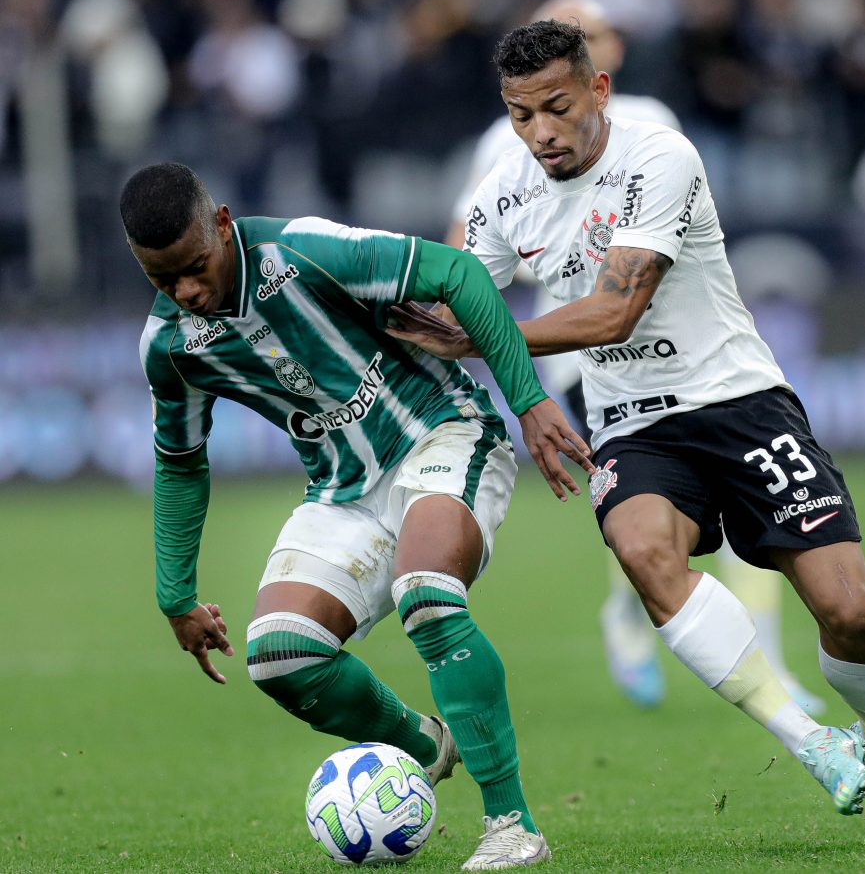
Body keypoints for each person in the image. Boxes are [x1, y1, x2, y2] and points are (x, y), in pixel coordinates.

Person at [388, 21, 865, 845]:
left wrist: (484, 336)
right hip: (634, 424)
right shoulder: (502, 194)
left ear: (598, 92)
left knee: (850, 613)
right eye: (520, 115)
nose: (541, 133)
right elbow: (444, 299)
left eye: (557, 108)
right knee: (643, 551)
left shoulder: (659, 157)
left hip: (739, 400)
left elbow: (616, 309)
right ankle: (810, 741)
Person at [121, 162, 595, 869]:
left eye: (194, 267)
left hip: (443, 430)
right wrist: (175, 594)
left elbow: (458, 275)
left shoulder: (304, 250)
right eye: (164, 281)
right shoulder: (171, 347)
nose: (187, 291)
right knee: (281, 654)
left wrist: (527, 399)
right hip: (343, 487)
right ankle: (427, 745)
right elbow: (181, 459)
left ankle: (512, 824)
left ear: (221, 224)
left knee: (427, 597)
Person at [445, 0, 825, 715]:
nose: (538, 127)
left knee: (732, 518)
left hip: (684, 345)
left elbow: (663, 234)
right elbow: (469, 249)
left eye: (602, 30)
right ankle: (646, 612)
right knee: (650, 503)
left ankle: (755, 657)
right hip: (578, 357)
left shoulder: (658, 129)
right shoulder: (509, 145)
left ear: (603, 63)